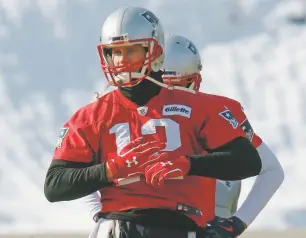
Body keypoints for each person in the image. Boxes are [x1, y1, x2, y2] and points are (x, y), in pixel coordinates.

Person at [44, 6, 262, 238]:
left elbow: (248, 161)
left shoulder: (198, 106)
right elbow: (55, 185)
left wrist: (188, 164)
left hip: (181, 226)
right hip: (118, 226)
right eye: (115, 52)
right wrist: (111, 170)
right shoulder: (91, 116)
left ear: (155, 51)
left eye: (131, 50)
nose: (121, 60)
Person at [161, 33, 284, 237]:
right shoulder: (122, 111)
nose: (168, 95)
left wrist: (234, 225)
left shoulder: (214, 112)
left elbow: (272, 170)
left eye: (175, 86)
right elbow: (93, 170)